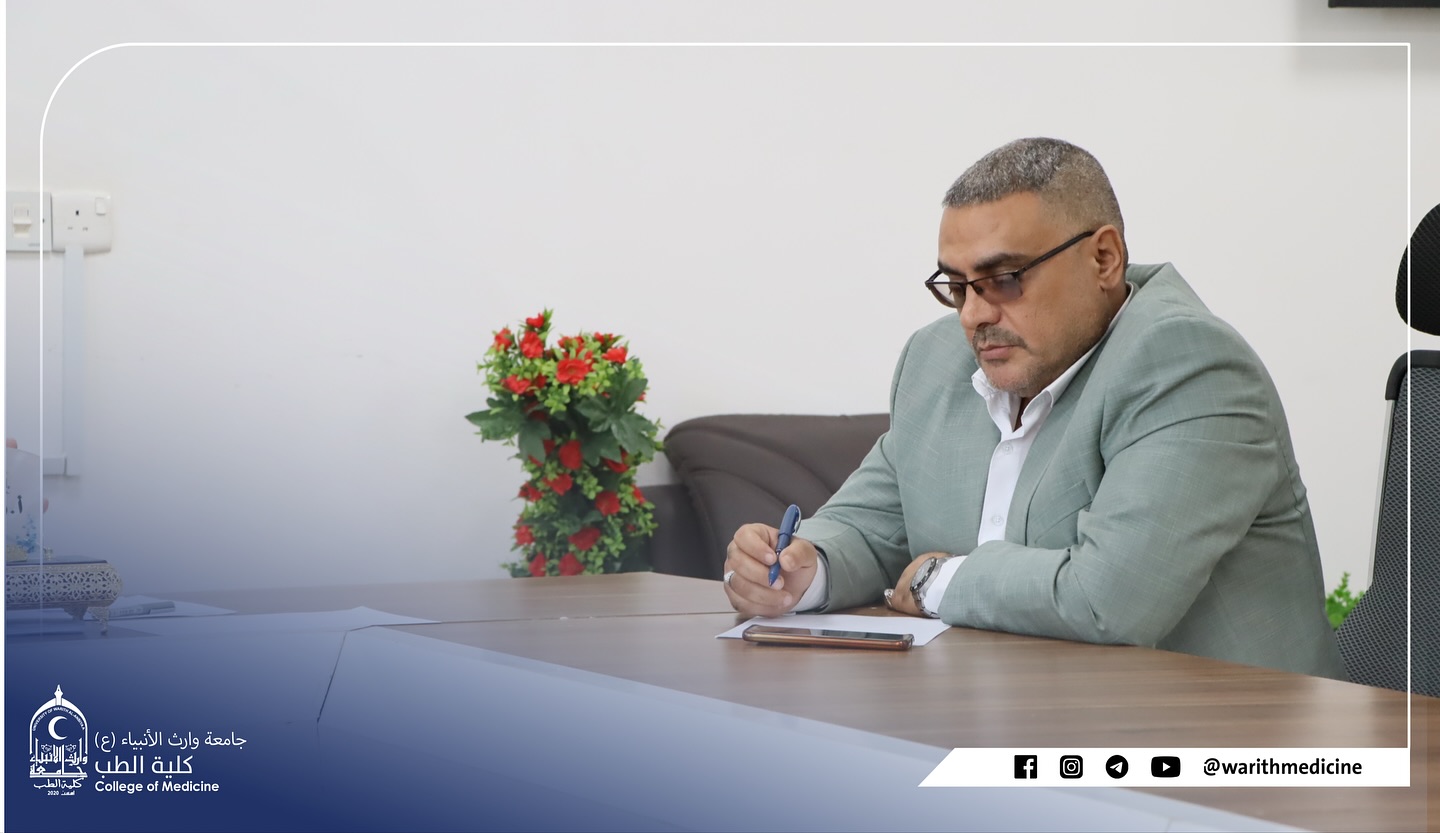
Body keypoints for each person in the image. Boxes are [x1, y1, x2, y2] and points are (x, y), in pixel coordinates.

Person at [722, 137, 1344, 679]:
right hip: (1011, 717)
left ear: (1103, 259)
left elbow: (1107, 601)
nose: (974, 315)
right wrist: (801, 569)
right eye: (957, 286)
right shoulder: (937, 360)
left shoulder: (1188, 364)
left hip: (1215, 749)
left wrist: (937, 580)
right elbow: (869, 524)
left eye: (1004, 280)